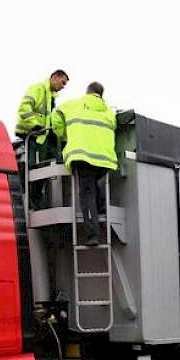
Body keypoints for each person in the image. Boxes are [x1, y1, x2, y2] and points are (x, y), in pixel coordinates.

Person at [52, 81, 117, 245]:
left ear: (87, 91)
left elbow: (55, 115)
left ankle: (92, 235)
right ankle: (101, 206)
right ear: (101, 95)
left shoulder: (73, 104)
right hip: (104, 159)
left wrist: (65, 136)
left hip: (82, 155)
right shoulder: (109, 111)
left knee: (86, 193)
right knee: (94, 183)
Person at [15, 69, 69, 163]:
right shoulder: (37, 88)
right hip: (31, 134)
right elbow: (24, 108)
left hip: (41, 135)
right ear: (55, 77)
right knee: (33, 165)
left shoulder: (50, 96)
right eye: (62, 82)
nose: (63, 87)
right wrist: (34, 125)